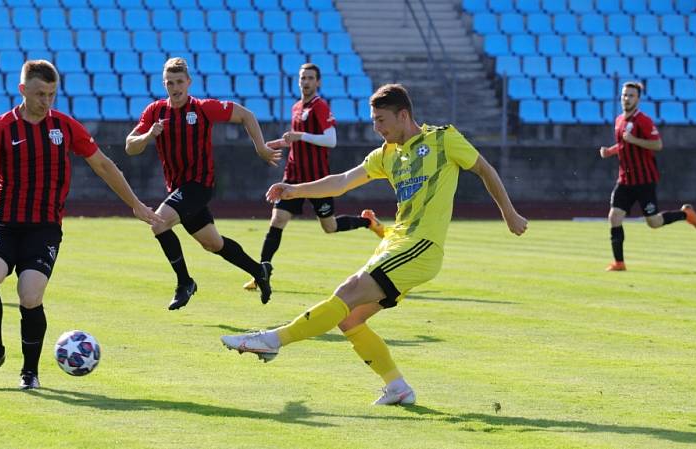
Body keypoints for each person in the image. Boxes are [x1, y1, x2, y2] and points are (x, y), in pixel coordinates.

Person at [221, 84, 528, 405]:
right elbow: (341, 181)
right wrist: (294, 190)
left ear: (403, 115)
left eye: (381, 120)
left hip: (420, 247)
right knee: (349, 318)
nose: (376, 128)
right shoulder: (386, 154)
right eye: (373, 121)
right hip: (396, 245)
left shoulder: (442, 139)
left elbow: (484, 168)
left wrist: (509, 213)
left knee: (347, 292)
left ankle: (272, 340)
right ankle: (397, 387)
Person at [0, 60, 162, 390]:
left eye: (51, 94)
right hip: (4, 222)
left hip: (44, 227)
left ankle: (29, 371)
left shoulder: (64, 127)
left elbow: (104, 166)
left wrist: (135, 204)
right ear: (22, 90)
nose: (46, 101)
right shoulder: (0, 128)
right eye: (39, 94)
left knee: (29, 295)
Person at [125, 57, 282, 309]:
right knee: (212, 243)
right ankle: (259, 271)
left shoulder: (202, 108)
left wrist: (261, 147)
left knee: (158, 223)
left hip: (199, 184)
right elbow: (130, 146)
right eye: (169, 83)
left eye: (179, 82)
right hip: (178, 189)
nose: (175, 87)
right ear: (164, 84)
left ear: (189, 82)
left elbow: (246, 114)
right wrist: (148, 134)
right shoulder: (154, 112)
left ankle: (184, 282)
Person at [243, 62, 385, 291]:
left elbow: (331, 140)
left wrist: (300, 135)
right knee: (277, 220)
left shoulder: (320, 106)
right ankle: (262, 272)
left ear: (317, 82)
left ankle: (367, 221)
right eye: (302, 78)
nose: (305, 82)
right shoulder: (296, 107)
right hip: (293, 176)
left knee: (329, 227)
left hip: (318, 180)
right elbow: (300, 141)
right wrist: (280, 143)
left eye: (310, 78)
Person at [598, 81, 696, 272]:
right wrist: (610, 152)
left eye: (630, 95)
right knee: (614, 216)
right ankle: (619, 263)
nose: (626, 98)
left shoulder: (643, 121)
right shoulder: (619, 120)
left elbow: (657, 145)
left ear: (638, 99)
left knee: (653, 222)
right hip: (625, 179)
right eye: (624, 95)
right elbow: (623, 145)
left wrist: (635, 140)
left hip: (644, 181)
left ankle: (685, 214)